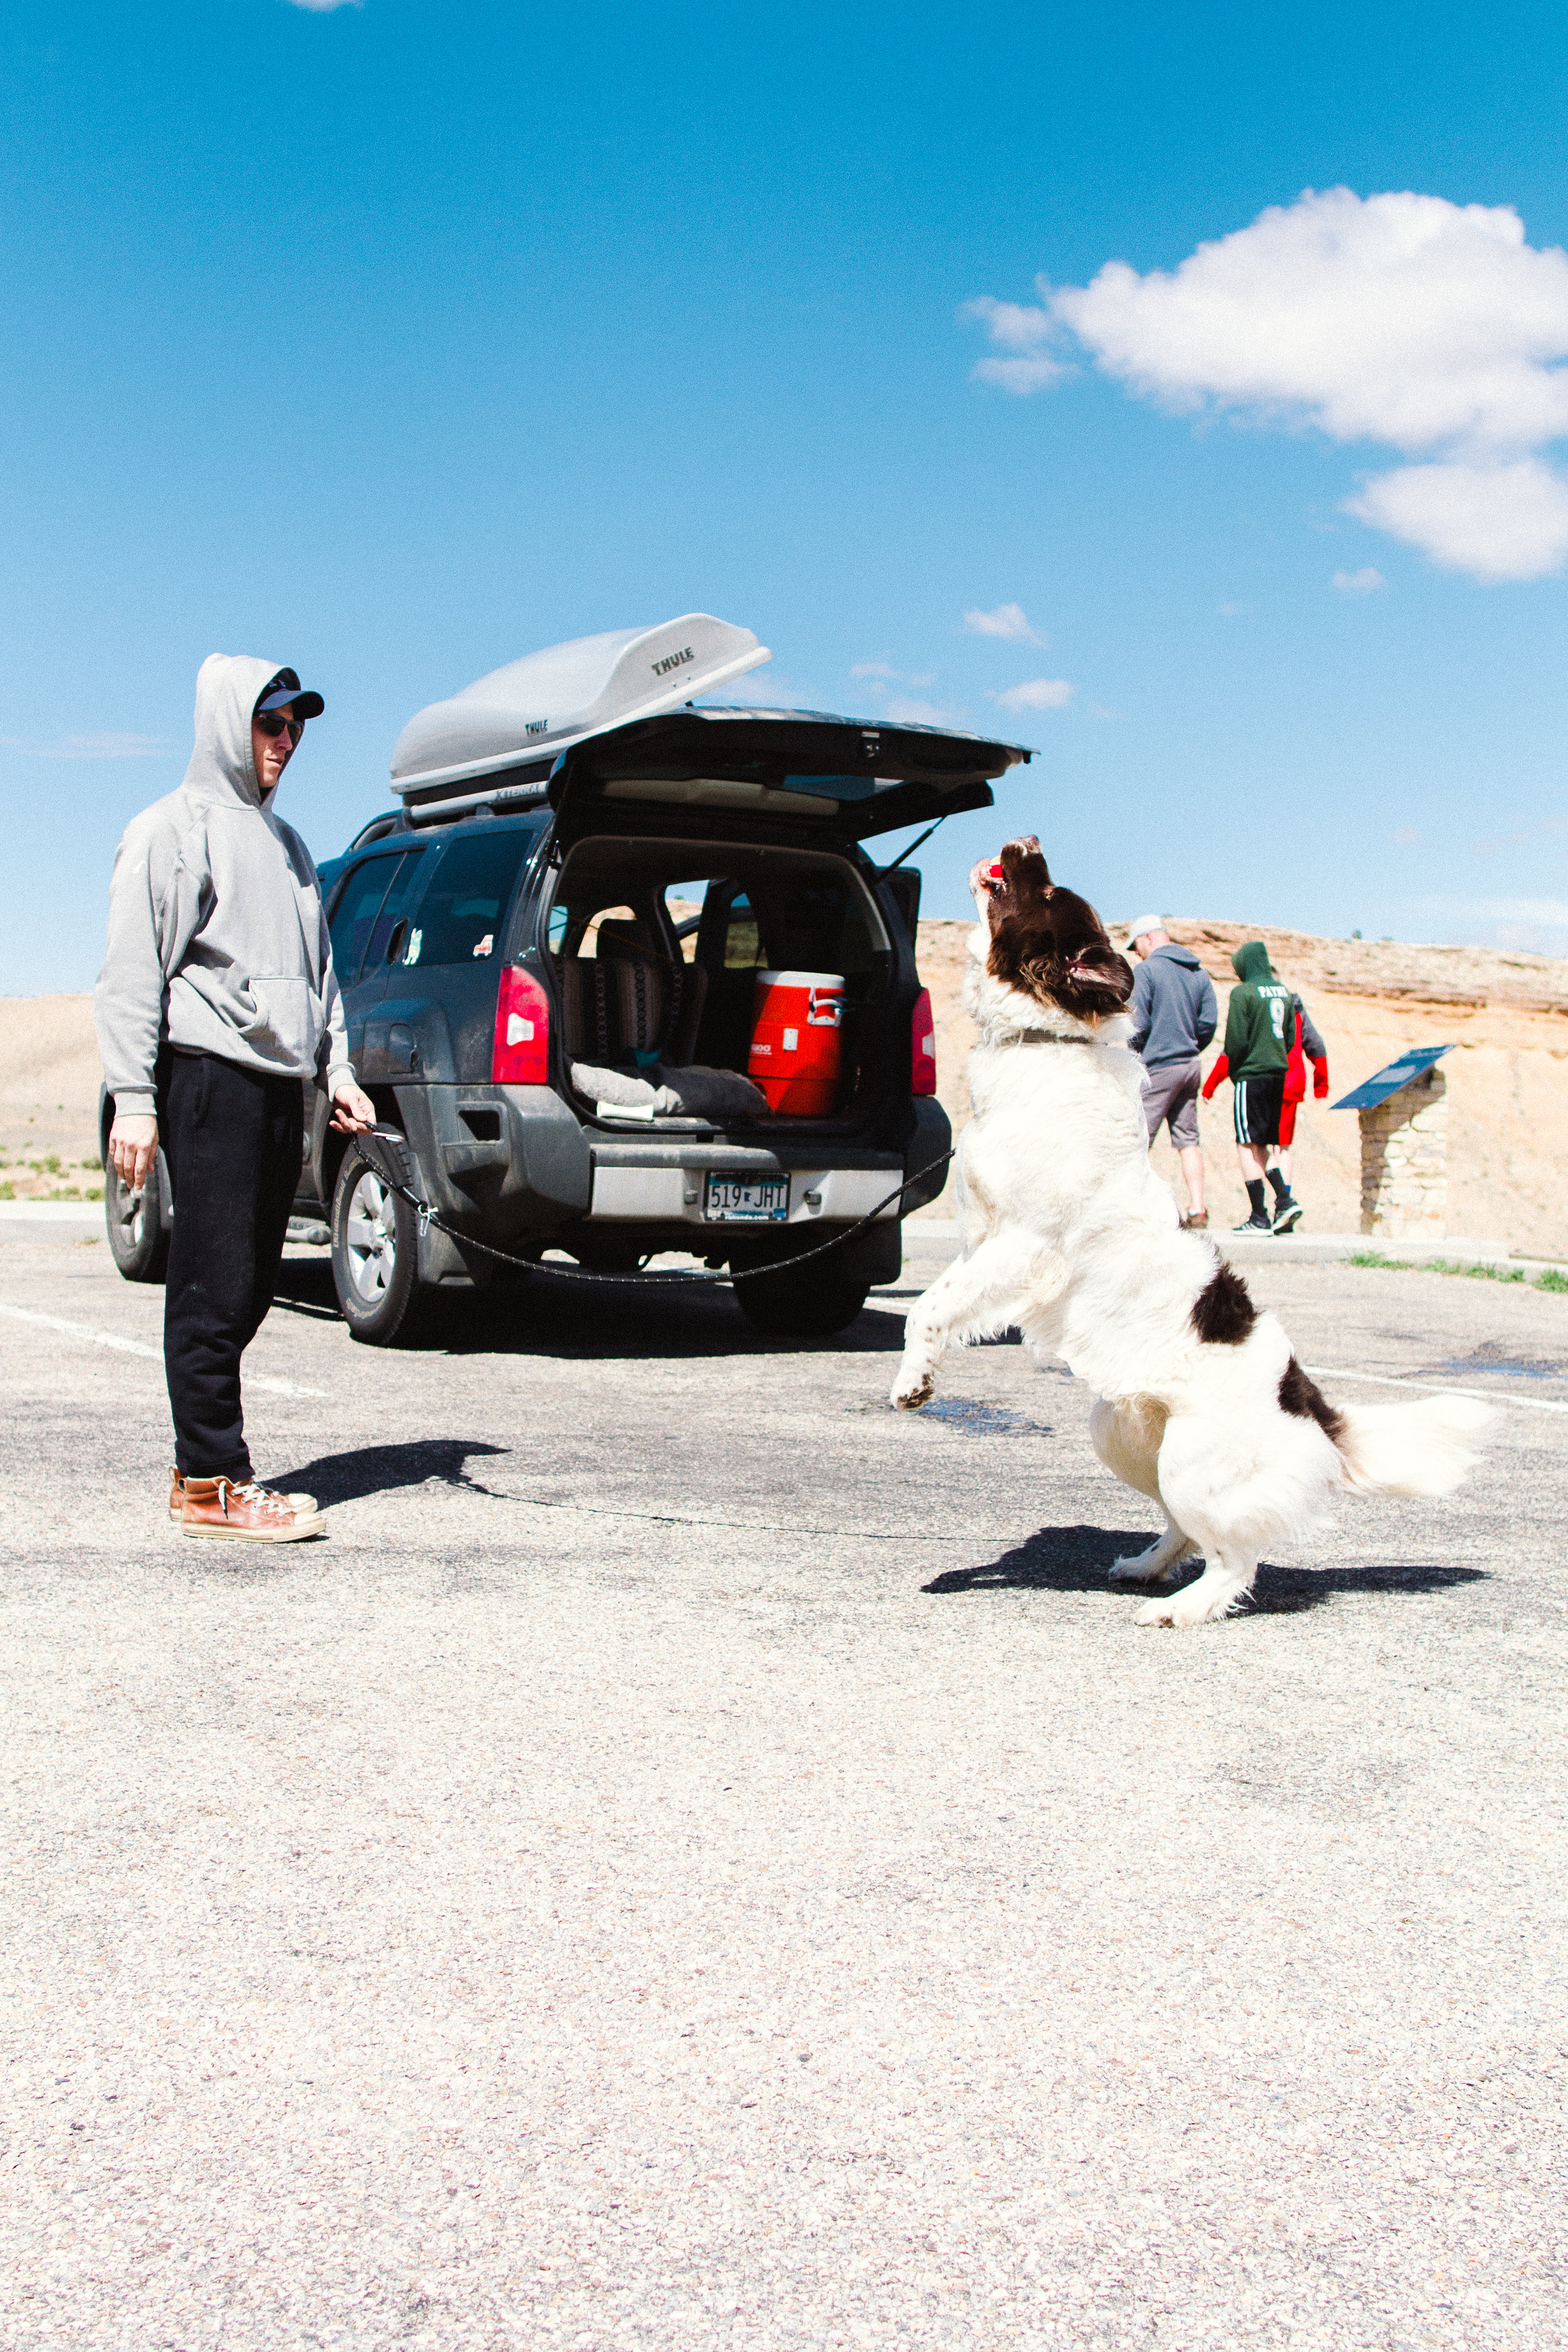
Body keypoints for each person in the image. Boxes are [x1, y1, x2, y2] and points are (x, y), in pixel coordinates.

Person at [95, 654, 376, 1540]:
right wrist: (133, 1098)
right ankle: (216, 1480)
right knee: (212, 1281)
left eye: (296, 726)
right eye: (271, 723)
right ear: (228, 722)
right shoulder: (171, 829)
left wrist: (337, 1071)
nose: (287, 742)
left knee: (250, 1279)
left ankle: (197, 1471)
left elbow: (320, 975)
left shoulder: (289, 846)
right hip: (207, 1074)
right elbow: (133, 971)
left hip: (279, 1085)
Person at [1200, 942, 1327, 1234]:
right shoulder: (1283, 991)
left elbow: (1234, 1042)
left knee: (1246, 1144)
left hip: (1251, 1074)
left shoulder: (1243, 993)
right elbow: (1292, 1037)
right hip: (1278, 1076)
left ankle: (1259, 1216)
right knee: (1265, 1145)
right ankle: (1284, 1201)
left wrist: (1235, 1070)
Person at [1125, 915, 1218, 1230]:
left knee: (1138, 1139)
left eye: (1136, 945)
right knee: (1188, 1139)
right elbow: (1207, 1024)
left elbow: (1138, 1024)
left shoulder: (1147, 971)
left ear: (1149, 938)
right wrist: (1189, 1046)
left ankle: (1132, 1210)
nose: (1136, 953)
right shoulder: (1199, 974)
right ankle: (1198, 1209)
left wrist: (1136, 1054)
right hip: (1190, 1066)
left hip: (1159, 1067)